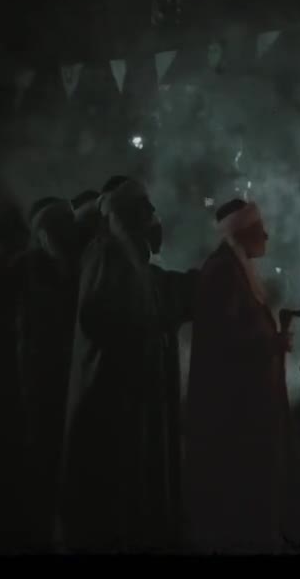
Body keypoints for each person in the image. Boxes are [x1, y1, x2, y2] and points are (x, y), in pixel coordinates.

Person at [57, 178, 196, 552]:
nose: (152, 214)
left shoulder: (133, 260)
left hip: (135, 397)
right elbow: (102, 318)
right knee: (116, 489)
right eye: (143, 208)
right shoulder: (106, 253)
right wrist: (150, 324)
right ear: (124, 214)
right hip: (113, 397)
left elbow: (165, 293)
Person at [186, 199, 300, 552]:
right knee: (245, 479)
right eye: (259, 230)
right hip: (239, 404)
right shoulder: (224, 272)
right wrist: (272, 343)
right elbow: (225, 340)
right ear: (242, 233)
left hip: (251, 398)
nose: (265, 236)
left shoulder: (235, 267)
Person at [11, 197, 80, 549]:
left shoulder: (75, 270)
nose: (64, 236)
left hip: (63, 376)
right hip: (37, 378)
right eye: (56, 229)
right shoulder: (25, 270)